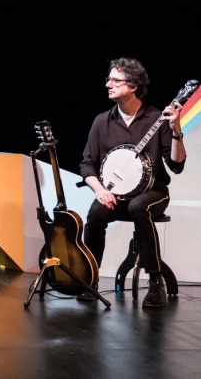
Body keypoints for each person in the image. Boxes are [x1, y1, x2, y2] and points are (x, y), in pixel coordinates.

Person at [79, 57, 186, 307]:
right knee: (95, 216)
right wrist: (100, 190)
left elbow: (176, 165)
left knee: (140, 207)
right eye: (108, 79)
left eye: (115, 80)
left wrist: (177, 129)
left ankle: (155, 282)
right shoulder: (101, 121)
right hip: (114, 195)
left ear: (134, 85)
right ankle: (90, 280)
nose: (108, 84)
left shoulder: (157, 118)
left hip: (153, 192)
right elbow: (87, 164)